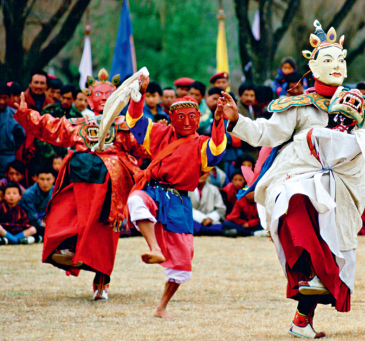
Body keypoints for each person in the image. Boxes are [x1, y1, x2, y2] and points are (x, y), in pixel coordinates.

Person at [217, 20, 365, 339]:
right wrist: (237, 120)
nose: (336, 65)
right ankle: (308, 278)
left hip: (343, 188)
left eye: (340, 60)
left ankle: (302, 320)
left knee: (336, 252)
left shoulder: (359, 105)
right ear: (313, 66)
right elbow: (266, 133)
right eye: (328, 60)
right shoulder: (297, 105)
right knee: (294, 199)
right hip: (303, 177)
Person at [13, 68, 149, 301]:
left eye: (109, 93)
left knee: (105, 234)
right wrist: (27, 114)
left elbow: (142, 145)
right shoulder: (80, 122)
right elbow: (51, 127)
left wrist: (150, 126)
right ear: (88, 98)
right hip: (80, 176)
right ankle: (67, 249)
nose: (104, 98)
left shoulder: (123, 125)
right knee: (68, 217)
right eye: (99, 94)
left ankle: (102, 282)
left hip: (110, 184)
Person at [126, 76, 227, 319]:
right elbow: (135, 122)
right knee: (135, 200)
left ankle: (161, 307)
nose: (187, 122)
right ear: (171, 118)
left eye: (192, 117)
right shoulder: (159, 133)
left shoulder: (201, 143)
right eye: (180, 117)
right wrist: (138, 96)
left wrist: (218, 119)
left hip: (179, 202)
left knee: (182, 262)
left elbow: (216, 151)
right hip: (154, 190)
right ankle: (154, 247)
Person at [190, 171, 228, 237]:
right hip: (193, 220)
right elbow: (184, 208)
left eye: (203, 173)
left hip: (210, 221)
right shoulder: (187, 189)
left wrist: (209, 218)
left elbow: (221, 209)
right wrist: (202, 219)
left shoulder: (214, 189)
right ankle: (208, 230)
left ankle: (202, 230)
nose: (201, 176)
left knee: (224, 224)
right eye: (198, 172)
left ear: (208, 174)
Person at [0, 83, 26, 176]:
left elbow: (21, 136)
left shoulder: (15, 115)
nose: (2, 102)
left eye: (5, 98)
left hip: (8, 157)